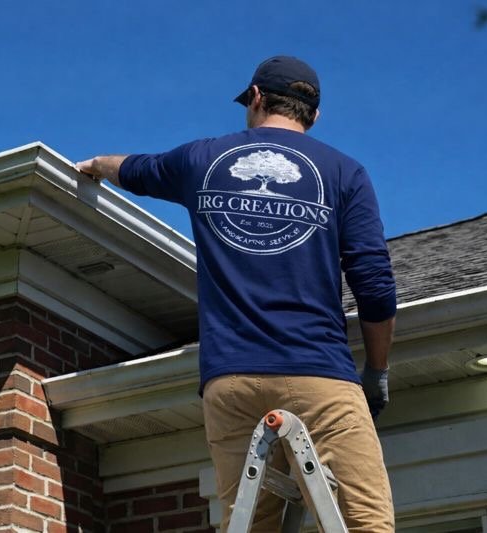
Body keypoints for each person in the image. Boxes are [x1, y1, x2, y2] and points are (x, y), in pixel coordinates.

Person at [76, 55, 397, 532]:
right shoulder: (344, 173)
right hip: (318, 373)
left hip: (230, 380)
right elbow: (373, 286)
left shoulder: (201, 160)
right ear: (315, 114)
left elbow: (138, 170)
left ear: (257, 98)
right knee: (368, 523)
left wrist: (97, 165)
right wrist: (376, 370)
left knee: (252, 524)